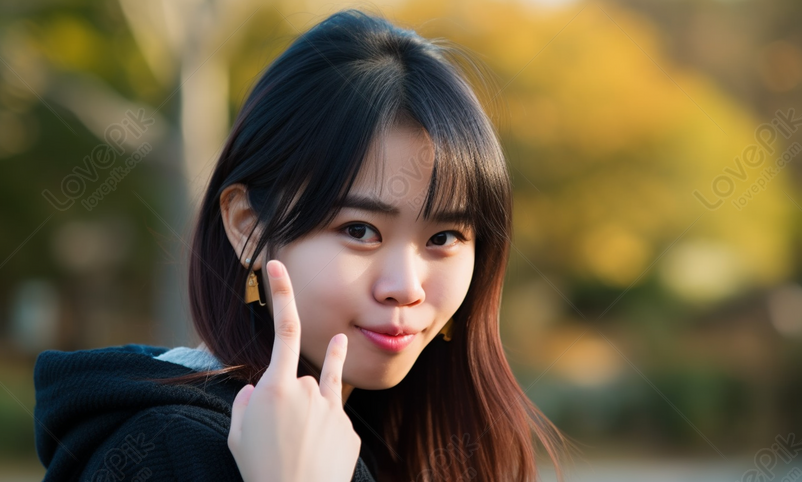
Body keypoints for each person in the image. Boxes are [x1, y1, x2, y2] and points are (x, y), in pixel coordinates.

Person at [33, 9, 566, 482]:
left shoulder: (385, 435)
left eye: (444, 238)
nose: (405, 287)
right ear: (247, 225)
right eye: (359, 230)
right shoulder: (169, 450)